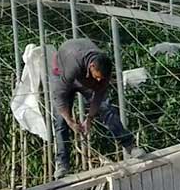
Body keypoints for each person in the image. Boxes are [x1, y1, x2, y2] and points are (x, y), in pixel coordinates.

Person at [49, 37, 136, 179]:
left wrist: (89, 118)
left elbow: (99, 98)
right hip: (61, 74)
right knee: (60, 122)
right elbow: (60, 97)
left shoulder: (103, 71)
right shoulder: (73, 66)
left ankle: (129, 145)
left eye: (102, 78)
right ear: (92, 67)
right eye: (97, 77)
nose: (99, 81)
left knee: (106, 108)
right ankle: (62, 164)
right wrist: (70, 121)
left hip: (83, 73)